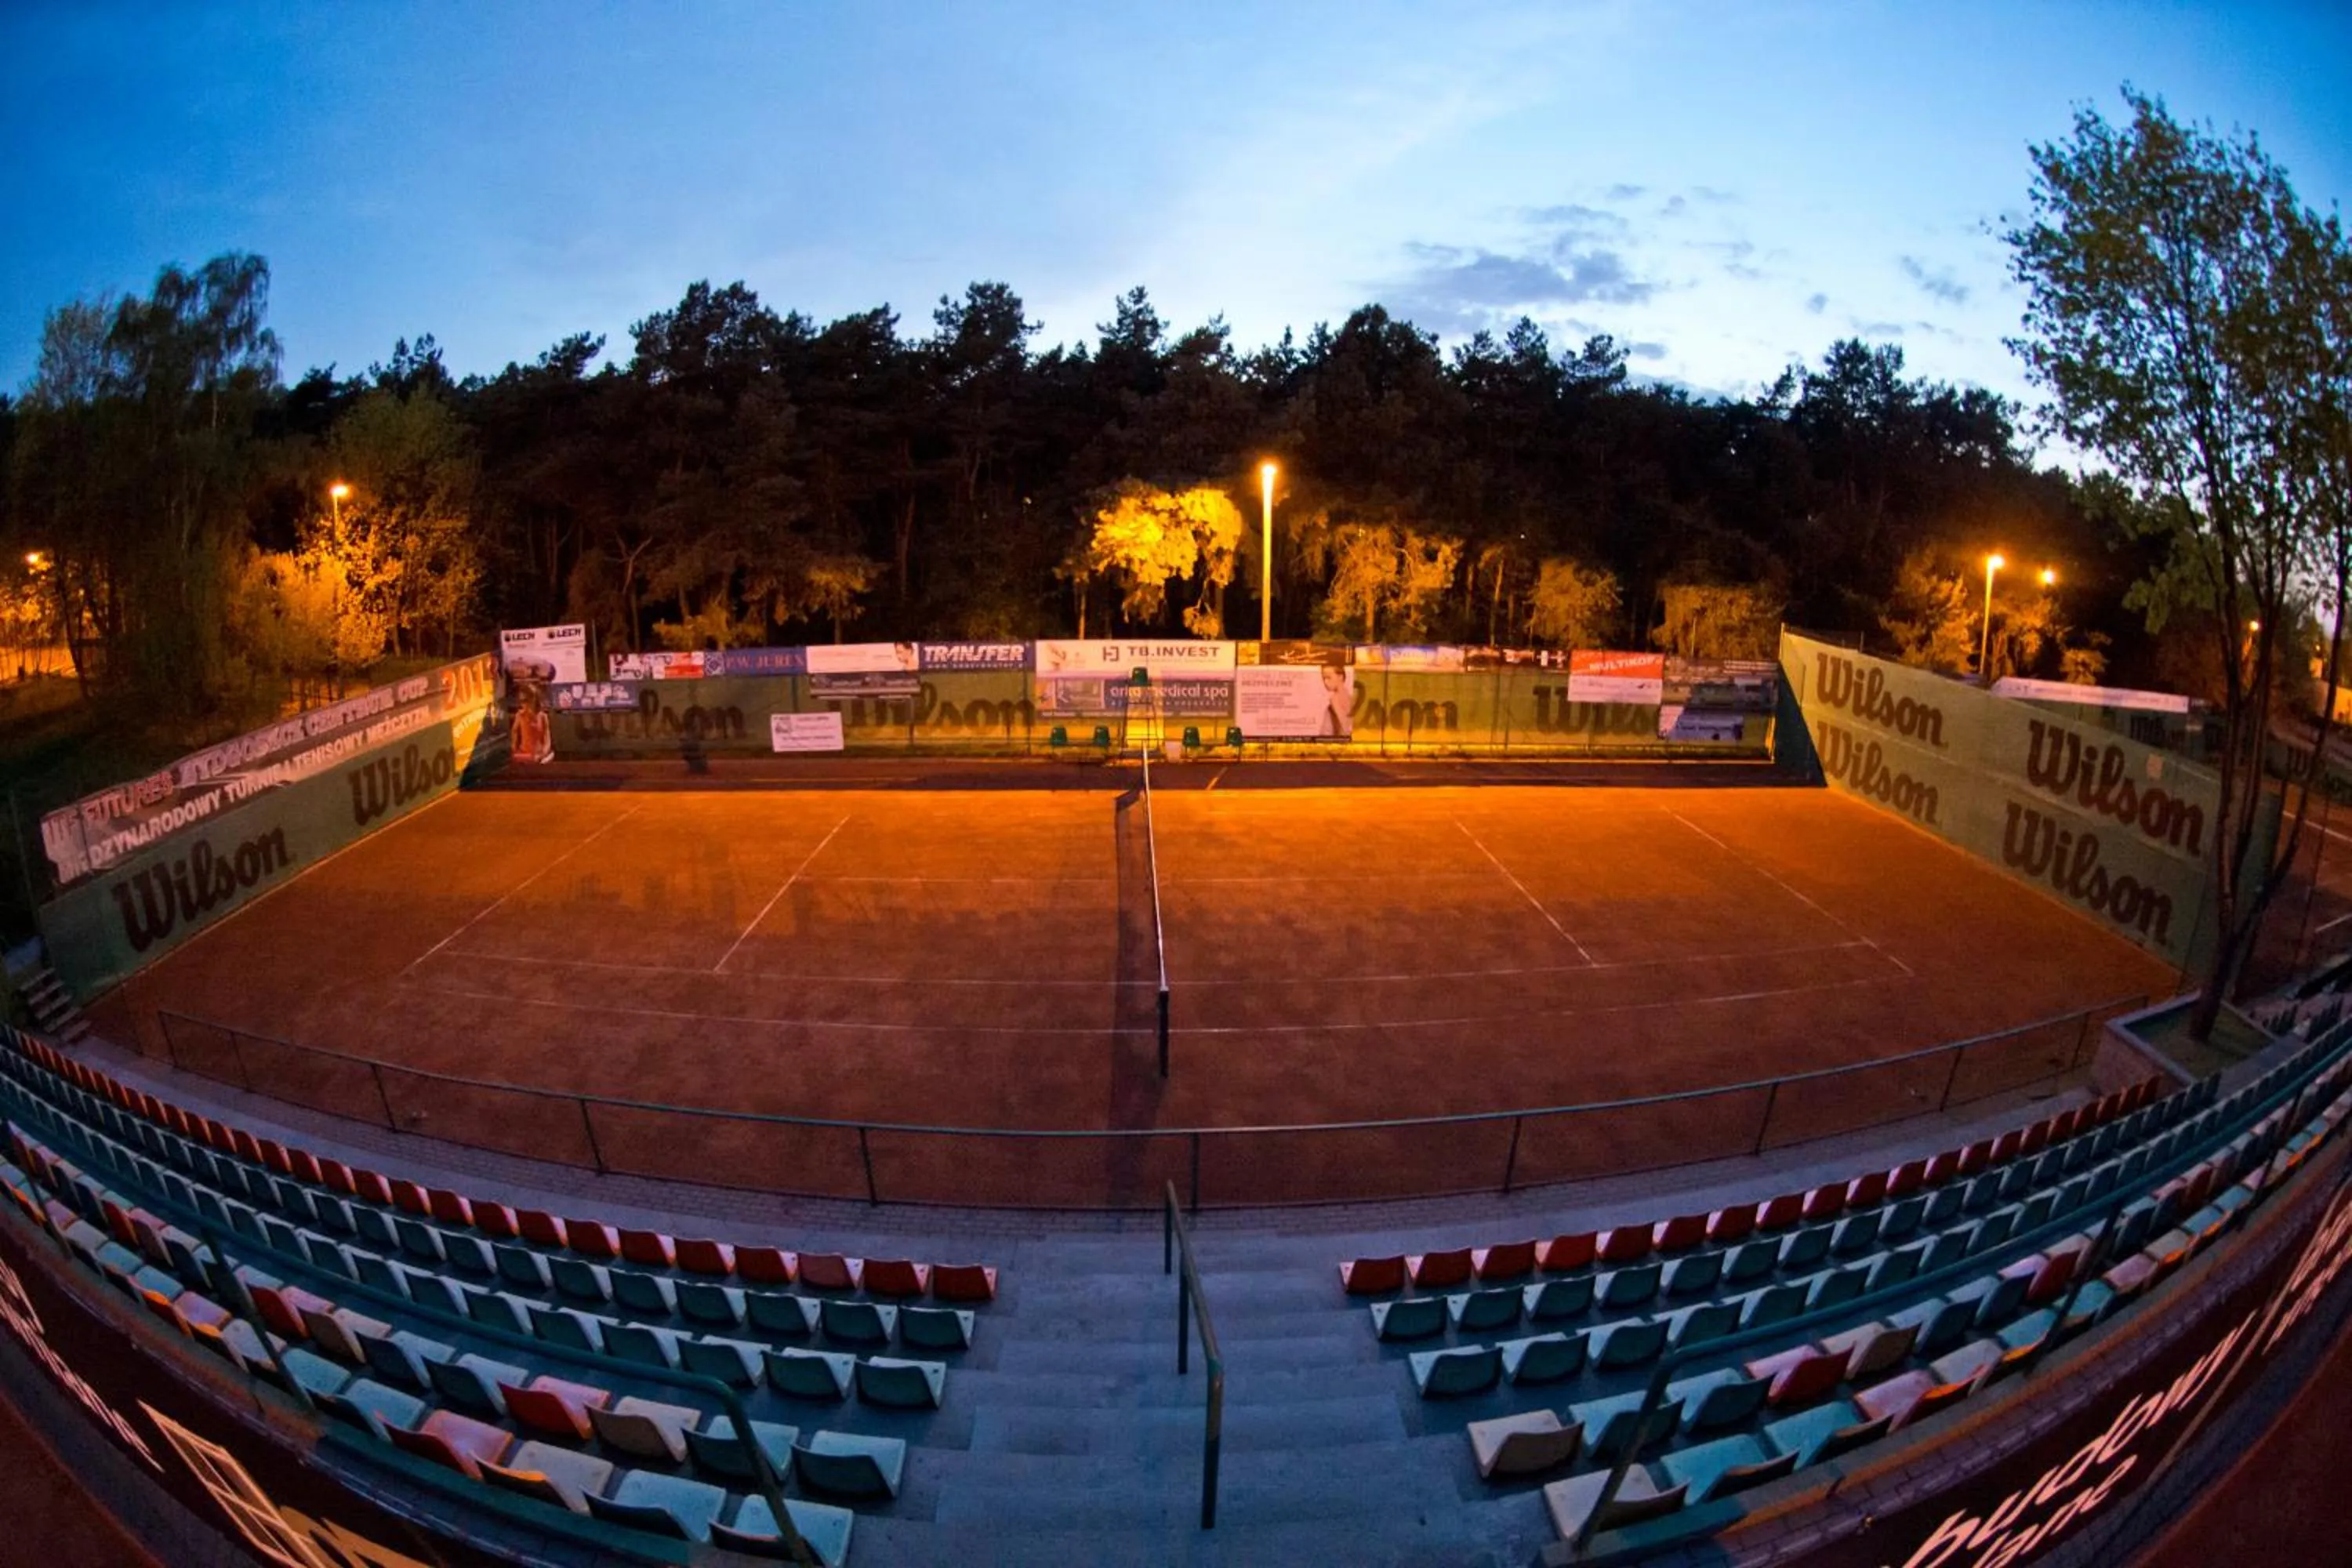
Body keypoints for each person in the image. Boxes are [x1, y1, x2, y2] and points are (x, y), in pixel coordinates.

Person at [1319, 663, 1354, 739]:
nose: (1325, 682)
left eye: (1328, 678)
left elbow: (1346, 729)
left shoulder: (1335, 699)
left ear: (1340, 677)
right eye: (1324, 678)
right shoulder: (1350, 697)